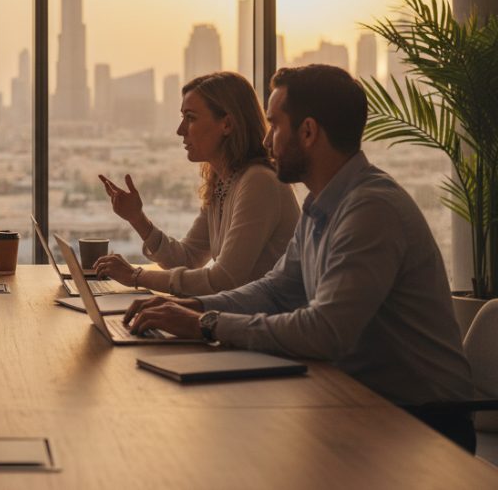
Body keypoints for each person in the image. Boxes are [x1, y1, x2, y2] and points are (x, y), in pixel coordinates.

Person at [124, 65, 476, 451]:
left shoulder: (370, 210)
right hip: (361, 401)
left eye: (274, 125)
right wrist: (192, 306)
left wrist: (207, 323)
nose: (266, 137)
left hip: (423, 424)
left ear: (307, 132)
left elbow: (325, 331)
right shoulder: (319, 204)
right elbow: (276, 290)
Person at [94, 71, 299, 296]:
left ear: (227, 124)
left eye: (190, 118)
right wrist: (137, 218)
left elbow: (223, 280)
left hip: (261, 325)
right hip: (241, 320)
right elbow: (188, 258)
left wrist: (136, 276)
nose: (180, 130)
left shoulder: (259, 182)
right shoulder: (224, 181)